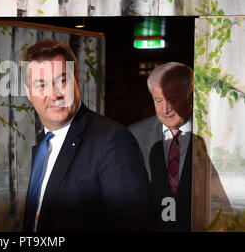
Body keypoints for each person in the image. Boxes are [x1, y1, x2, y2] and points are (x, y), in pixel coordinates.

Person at [21, 39, 155, 232]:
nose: (54, 93)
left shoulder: (112, 140)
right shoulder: (43, 144)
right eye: (41, 85)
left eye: (62, 81)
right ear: (28, 92)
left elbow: (137, 226)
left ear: (76, 80)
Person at [128, 62, 193, 232]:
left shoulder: (212, 135)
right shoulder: (135, 134)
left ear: (190, 95)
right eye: (158, 100)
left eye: (172, 99)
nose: (165, 109)